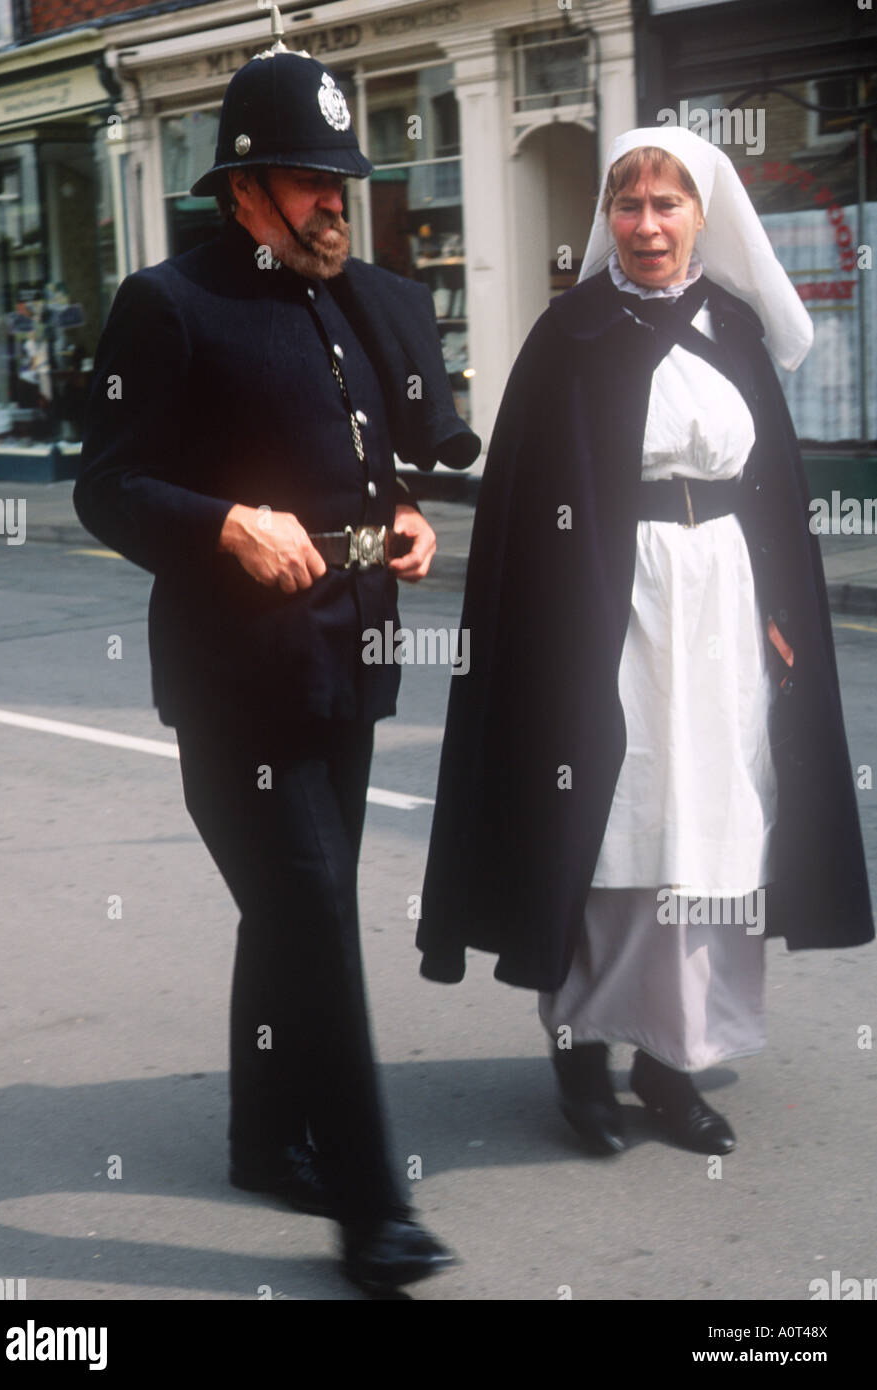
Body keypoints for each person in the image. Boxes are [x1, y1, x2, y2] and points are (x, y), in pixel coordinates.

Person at [74, 22, 479, 1293]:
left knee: (288, 916)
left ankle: (263, 1136)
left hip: (349, 660)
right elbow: (105, 488)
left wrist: (407, 518)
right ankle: (373, 1214)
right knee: (315, 924)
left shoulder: (357, 298)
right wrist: (223, 524)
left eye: (343, 181)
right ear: (242, 185)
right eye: (309, 181)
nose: (333, 204)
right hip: (235, 682)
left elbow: (393, 460)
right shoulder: (171, 304)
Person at [416, 125, 873, 1157]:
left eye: (669, 204)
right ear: (607, 218)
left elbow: (770, 494)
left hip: (723, 602)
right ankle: (581, 1058)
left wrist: (779, 606)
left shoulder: (739, 331)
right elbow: (531, 504)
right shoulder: (571, 332)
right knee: (613, 827)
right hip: (609, 605)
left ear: (703, 214)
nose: (649, 225)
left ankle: (673, 1063)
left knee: (712, 826)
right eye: (630, 204)